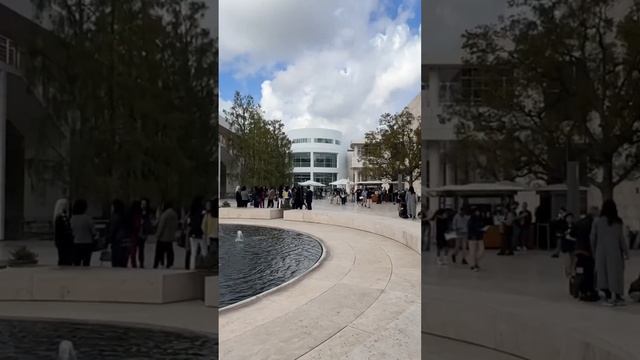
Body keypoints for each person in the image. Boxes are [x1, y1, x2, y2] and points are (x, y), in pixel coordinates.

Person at [591, 199, 630, 306]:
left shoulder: (597, 221)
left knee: (603, 273)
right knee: (615, 273)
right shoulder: (618, 222)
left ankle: (607, 297)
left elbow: (592, 238)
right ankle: (617, 296)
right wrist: (626, 252)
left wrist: (594, 251)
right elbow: (621, 239)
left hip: (601, 251)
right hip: (615, 252)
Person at [572, 206, 599, 301]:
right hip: (587, 251)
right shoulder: (593, 223)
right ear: (595, 213)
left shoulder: (579, 222)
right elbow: (594, 238)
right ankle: (588, 290)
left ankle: (579, 289)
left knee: (579, 270)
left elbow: (572, 233)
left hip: (578, 251)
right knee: (589, 272)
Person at [70, 199, 95, 266]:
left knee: (76, 263)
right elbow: (93, 232)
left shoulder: (72, 219)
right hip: (87, 244)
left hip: (76, 244)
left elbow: (71, 232)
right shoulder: (88, 218)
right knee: (86, 263)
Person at [154, 200, 179, 269]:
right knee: (170, 251)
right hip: (170, 236)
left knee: (158, 252)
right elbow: (176, 225)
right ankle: (169, 263)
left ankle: (156, 264)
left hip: (163, 236)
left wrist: (157, 235)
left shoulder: (165, 214)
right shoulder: (174, 214)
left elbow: (161, 226)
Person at [108, 199, 131, 268]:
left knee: (116, 263)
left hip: (117, 242)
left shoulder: (115, 217)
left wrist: (108, 239)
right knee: (123, 263)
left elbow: (112, 230)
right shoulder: (126, 216)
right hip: (126, 241)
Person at [53, 198, 74, 266]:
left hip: (61, 241)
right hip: (64, 241)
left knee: (63, 258)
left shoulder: (58, 217)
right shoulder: (62, 217)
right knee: (65, 259)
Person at [186, 196, 204, 270]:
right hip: (200, 233)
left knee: (193, 252)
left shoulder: (191, 212)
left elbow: (189, 223)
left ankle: (192, 267)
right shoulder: (202, 211)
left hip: (192, 233)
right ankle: (203, 265)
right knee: (203, 250)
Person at [200, 199, 217, 269]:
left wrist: (206, 233)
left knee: (211, 251)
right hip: (217, 236)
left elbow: (203, 226)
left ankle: (211, 265)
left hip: (211, 236)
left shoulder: (208, 215)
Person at [137, 198, 154, 268]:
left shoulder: (148, 213)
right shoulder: (138, 211)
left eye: (144, 204)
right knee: (139, 248)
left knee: (141, 248)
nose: (143, 205)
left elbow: (149, 223)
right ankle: (139, 261)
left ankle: (141, 262)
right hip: (138, 231)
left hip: (143, 232)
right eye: (142, 204)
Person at [128, 200, 143, 268]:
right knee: (137, 250)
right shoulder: (138, 215)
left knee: (133, 250)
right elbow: (137, 224)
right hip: (136, 233)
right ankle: (135, 263)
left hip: (132, 233)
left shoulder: (131, 214)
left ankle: (133, 263)